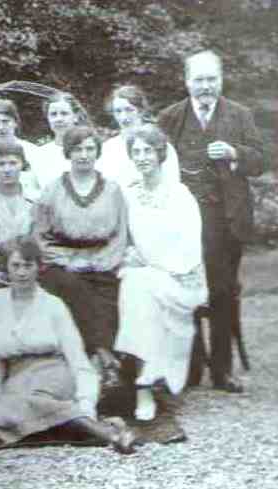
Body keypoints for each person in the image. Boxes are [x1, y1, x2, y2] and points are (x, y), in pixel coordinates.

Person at [158, 50, 267, 393]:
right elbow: (155, 164)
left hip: (226, 220)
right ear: (186, 81)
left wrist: (236, 153)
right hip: (182, 221)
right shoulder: (170, 117)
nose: (205, 86)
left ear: (220, 79)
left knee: (221, 291)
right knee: (185, 288)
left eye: (211, 79)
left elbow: (262, 160)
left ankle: (221, 371)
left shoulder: (240, 115)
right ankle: (191, 368)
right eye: (199, 79)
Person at [0, 237, 136, 454]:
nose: (22, 273)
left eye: (28, 265)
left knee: (22, 404)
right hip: (18, 376)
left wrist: (87, 403)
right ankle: (106, 432)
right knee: (10, 402)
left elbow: (77, 359)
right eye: (16, 266)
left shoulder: (53, 305)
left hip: (55, 372)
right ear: (6, 268)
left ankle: (97, 429)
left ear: (38, 268)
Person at [114, 125, 207, 421]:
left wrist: (162, 266)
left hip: (180, 275)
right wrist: (130, 254)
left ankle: (149, 381)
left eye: (148, 151)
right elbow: (124, 238)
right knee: (137, 288)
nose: (142, 157)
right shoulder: (129, 195)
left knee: (145, 289)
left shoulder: (180, 195)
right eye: (136, 152)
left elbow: (191, 244)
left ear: (160, 154)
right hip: (143, 273)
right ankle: (144, 383)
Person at [35, 126, 128, 379]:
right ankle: (100, 354)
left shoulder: (112, 190)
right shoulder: (53, 189)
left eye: (89, 149)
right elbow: (40, 235)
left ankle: (103, 366)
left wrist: (103, 261)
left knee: (109, 299)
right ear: (68, 152)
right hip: (62, 266)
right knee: (73, 288)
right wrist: (67, 260)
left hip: (101, 263)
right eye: (77, 149)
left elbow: (120, 235)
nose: (84, 155)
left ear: (97, 152)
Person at [0, 141, 39, 293]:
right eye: (1, 164)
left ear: (22, 165)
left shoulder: (37, 200)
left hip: (29, 267)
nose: (7, 169)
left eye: (13, 163)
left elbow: (42, 241)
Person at [99, 85, 180, 188]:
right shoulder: (107, 149)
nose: (123, 117)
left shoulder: (162, 146)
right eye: (118, 111)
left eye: (129, 110)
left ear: (141, 111)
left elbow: (172, 185)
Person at [0, 98, 42, 195]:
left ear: (15, 123)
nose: (1, 127)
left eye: (5, 121)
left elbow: (41, 188)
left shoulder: (33, 152)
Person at [37, 91, 90, 189]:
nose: (58, 119)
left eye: (64, 113)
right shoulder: (40, 155)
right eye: (53, 114)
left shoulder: (90, 150)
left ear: (76, 117)